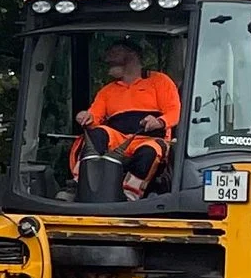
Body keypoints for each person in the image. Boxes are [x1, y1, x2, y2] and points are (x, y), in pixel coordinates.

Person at [72, 38, 181, 200]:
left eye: (114, 53)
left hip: (149, 138)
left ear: (132, 55)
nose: (107, 58)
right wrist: (86, 117)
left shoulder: (160, 81)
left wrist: (159, 122)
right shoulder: (107, 91)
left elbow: (174, 112)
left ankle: (130, 194)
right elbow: (94, 116)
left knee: (149, 152)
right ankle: (80, 184)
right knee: (95, 135)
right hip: (118, 139)